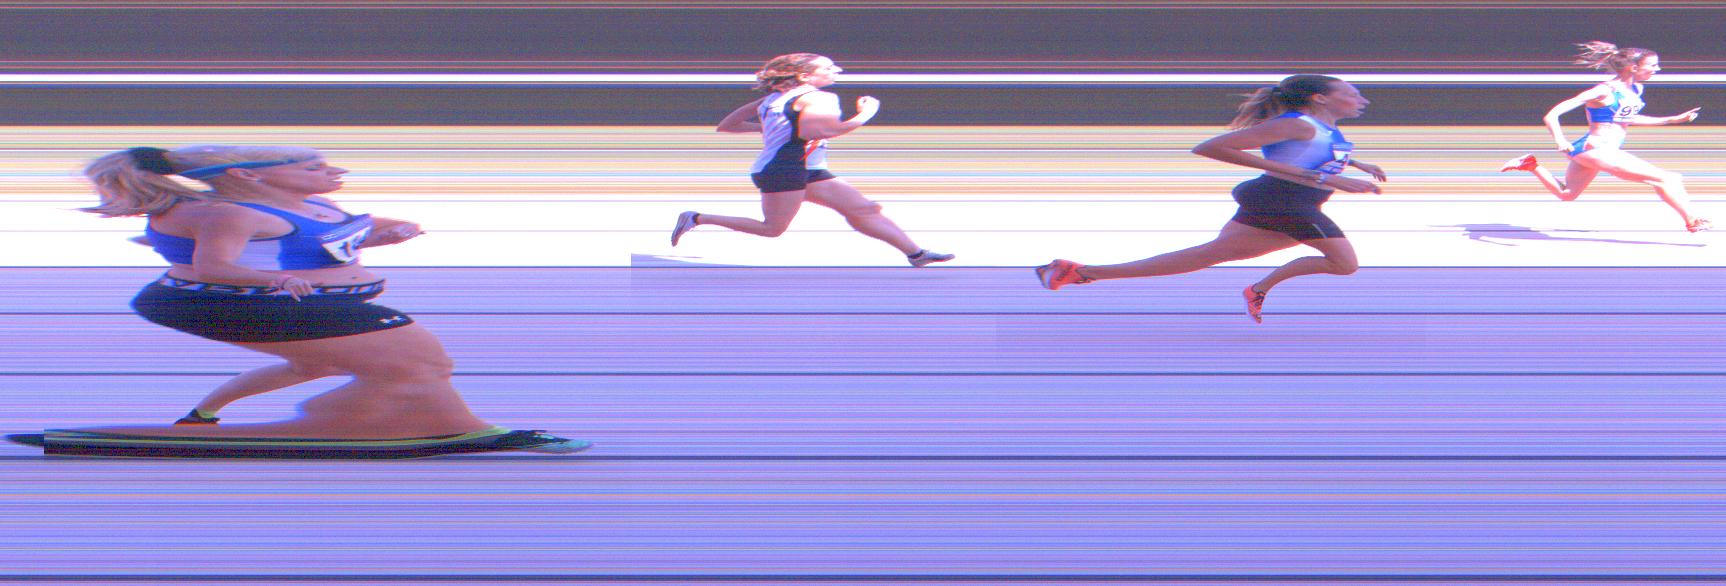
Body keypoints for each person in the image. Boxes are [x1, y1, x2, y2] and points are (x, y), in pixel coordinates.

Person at [71, 144, 579, 450]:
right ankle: (431, 423)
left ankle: (205, 416)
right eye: (313, 167)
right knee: (419, 358)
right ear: (249, 174)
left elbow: (331, 240)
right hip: (225, 301)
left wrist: (388, 233)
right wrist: (272, 281)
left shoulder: (312, 205)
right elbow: (213, 267)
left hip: (292, 301)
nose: (333, 173)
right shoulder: (234, 213)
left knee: (317, 365)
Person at [1034, 75, 1386, 324]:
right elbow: (1211, 147)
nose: (1362, 100)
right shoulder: (1298, 124)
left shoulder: (1322, 128)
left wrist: (1355, 164)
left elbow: (1311, 154)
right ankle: (1260, 288)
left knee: (1205, 256)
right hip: (1283, 201)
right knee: (1344, 264)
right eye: (1352, 93)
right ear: (1320, 98)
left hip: (1286, 201)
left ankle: (1076, 272)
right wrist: (1318, 177)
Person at [669, 53, 955, 267]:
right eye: (828, 68)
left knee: (864, 210)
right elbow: (820, 131)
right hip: (785, 170)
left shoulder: (774, 98)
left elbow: (727, 125)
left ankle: (916, 254)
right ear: (806, 76)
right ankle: (697, 218)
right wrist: (866, 114)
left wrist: (770, 128)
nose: (836, 70)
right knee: (772, 230)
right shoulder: (819, 98)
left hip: (808, 169)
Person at [1500, 41, 1708, 232]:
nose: (1657, 69)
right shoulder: (1602, 91)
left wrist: (1672, 119)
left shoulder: (1636, 88)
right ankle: (1692, 220)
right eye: (1652, 65)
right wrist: (1560, 140)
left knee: (1567, 194)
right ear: (1633, 67)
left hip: (1593, 149)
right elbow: (1552, 114)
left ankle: (1530, 165)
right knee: (1668, 179)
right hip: (1597, 148)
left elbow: (1626, 119)